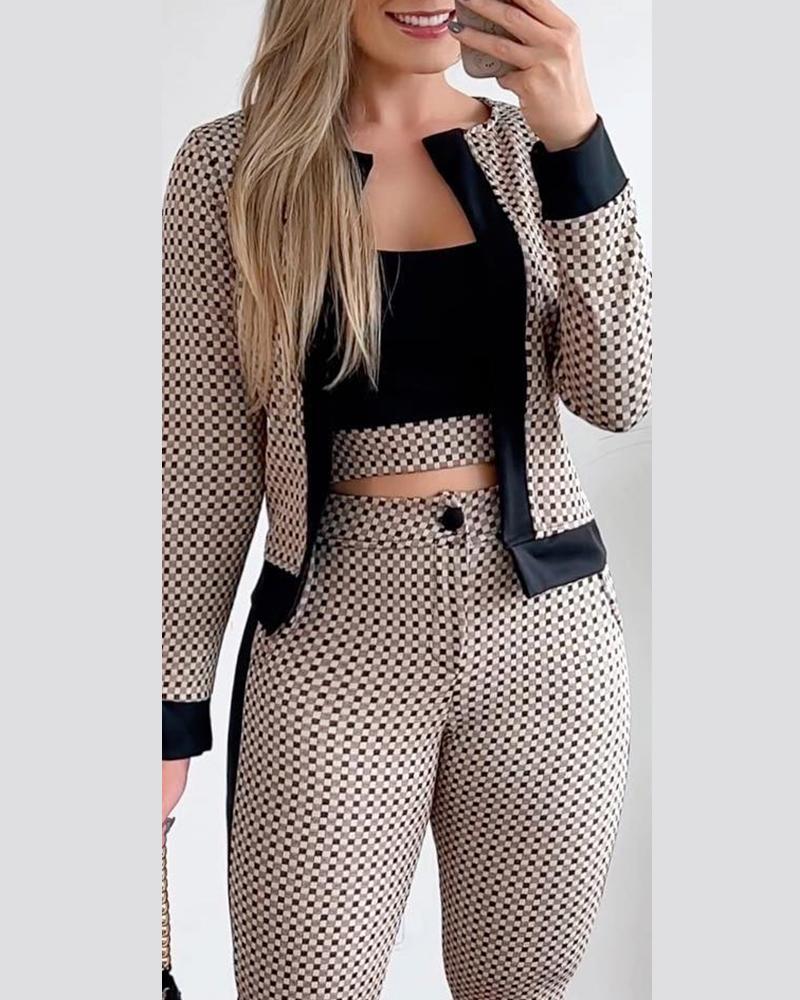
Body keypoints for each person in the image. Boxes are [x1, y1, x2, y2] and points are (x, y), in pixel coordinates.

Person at [162, 1, 652, 997]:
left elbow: (621, 391)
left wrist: (576, 142)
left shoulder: (531, 149)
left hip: (546, 649)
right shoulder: (230, 169)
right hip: (330, 647)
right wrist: (168, 712)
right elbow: (204, 464)